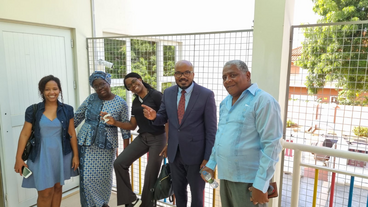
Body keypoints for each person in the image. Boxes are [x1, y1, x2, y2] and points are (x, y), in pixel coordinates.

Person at [201, 60, 283, 207]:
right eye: (224, 77)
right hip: (225, 177)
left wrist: (261, 184)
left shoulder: (263, 101)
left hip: (249, 182)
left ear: (247, 75)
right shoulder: (225, 103)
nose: (227, 80)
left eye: (233, 75)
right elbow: (220, 137)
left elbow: (272, 145)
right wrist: (211, 164)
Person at [142, 60, 217, 207]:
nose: (183, 76)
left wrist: (208, 157)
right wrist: (154, 117)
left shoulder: (206, 95)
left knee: (197, 197)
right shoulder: (169, 93)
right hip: (175, 154)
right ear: (174, 75)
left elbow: (211, 130)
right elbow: (163, 117)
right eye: (178, 73)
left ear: (193, 74)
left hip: (197, 156)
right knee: (178, 193)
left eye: (186, 72)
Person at [101, 72, 166, 207]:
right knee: (119, 163)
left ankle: (147, 205)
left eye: (134, 82)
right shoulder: (136, 102)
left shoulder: (156, 95)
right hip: (143, 137)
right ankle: (130, 200)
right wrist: (114, 122)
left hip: (158, 139)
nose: (133, 86)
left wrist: (169, 142)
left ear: (141, 79)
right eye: (129, 86)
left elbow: (169, 118)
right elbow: (132, 125)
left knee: (150, 176)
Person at [14, 75, 79, 207]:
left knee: (57, 188)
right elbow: (25, 134)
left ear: (59, 90)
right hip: (40, 155)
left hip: (61, 154)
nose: (52, 92)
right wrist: (18, 158)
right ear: (42, 92)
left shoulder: (67, 110)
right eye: (47, 89)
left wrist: (76, 156)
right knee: (45, 192)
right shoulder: (33, 110)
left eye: (55, 89)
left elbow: (71, 133)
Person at [74, 71, 131, 207]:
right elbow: (77, 117)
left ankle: (102, 203)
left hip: (107, 146)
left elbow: (125, 129)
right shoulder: (91, 99)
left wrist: (127, 152)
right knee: (87, 178)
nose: (100, 88)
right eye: (96, 86)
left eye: (102, 84)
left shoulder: (121, 103)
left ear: (108, 83)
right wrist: (64, 133)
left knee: (105, 178)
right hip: (87, 143)